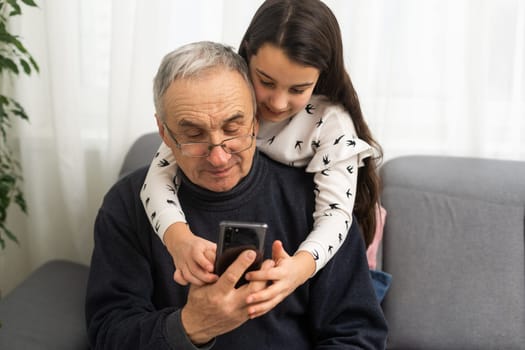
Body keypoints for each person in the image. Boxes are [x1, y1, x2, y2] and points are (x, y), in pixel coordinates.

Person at [85, 41, 387, 349]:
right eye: (193, 135)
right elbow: (109, 334)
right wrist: (191, 326)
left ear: (257, 120)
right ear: (164, 133)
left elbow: (358, 335)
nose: (218, 158)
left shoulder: (313, 200)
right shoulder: (127, 204)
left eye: (233, 129)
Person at [140, 0, 391, 309]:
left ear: (321, 78)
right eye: (266, 82)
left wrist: (299, 268)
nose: (278, 103)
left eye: (298, 89)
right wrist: (177, 238)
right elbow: (158, 175)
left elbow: (335, 214)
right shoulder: (222, 101)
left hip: (327, 245)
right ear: (247, 56)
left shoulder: (329, 123)